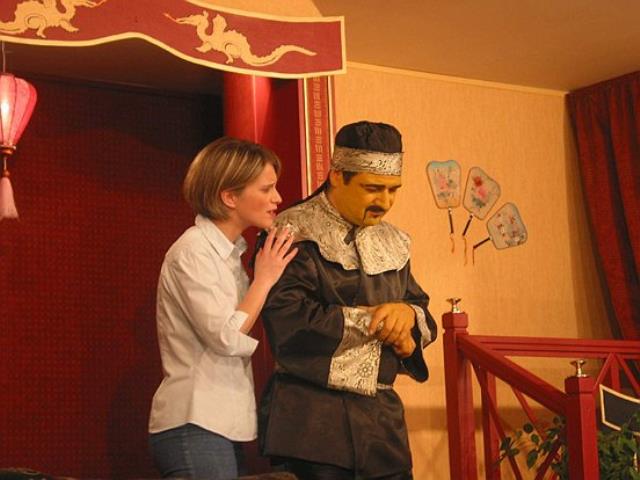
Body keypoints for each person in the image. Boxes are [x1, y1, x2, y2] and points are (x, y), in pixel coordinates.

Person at [258, 121, 438, 480]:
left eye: (393, 190)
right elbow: (287, 319)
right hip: (312, 426)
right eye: (373, 188)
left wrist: (406, 319)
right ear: (337, 176)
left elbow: (420, 309)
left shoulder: (395, 241)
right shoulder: (293, 232)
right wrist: (376, 322)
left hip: (383, 429)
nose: (385, 202)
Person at [148, 137, 297, 479]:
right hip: (193, 420)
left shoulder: (230, 254)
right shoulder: (193, 251)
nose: (277, 198)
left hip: (219, 423)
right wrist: (264, 279)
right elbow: (226, 338)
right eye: (266, 189)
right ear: (229, 197)